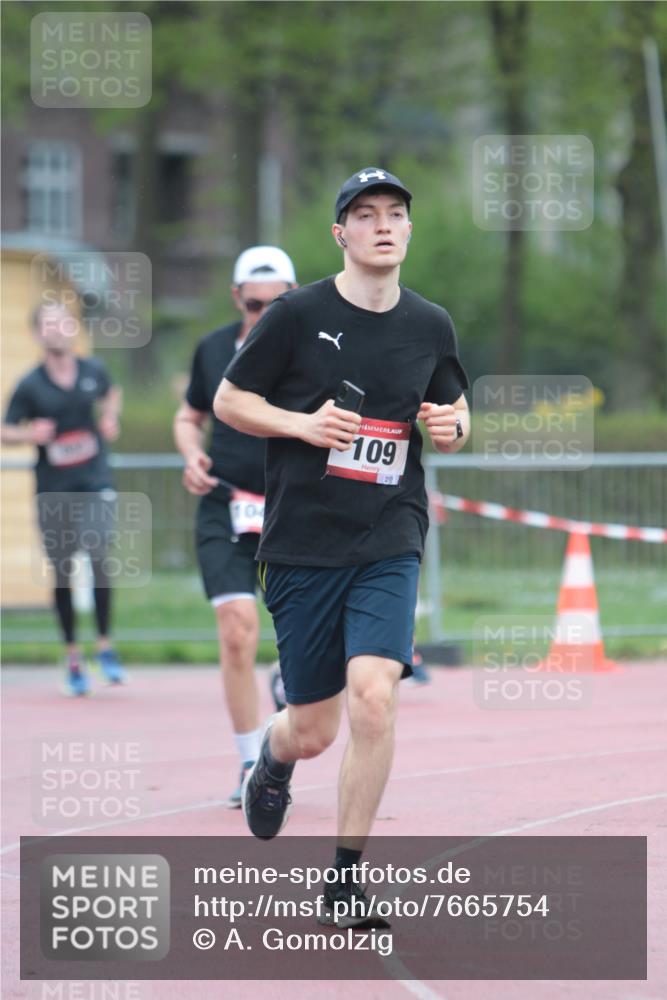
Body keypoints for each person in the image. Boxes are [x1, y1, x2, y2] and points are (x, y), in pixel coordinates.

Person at [214, 167, 470, 924]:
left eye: (394, 213)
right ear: (341, 234)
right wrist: (300, 424)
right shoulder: (295, 314)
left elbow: (454, 411)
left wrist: (455, 429)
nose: (383, 225)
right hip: (301, 544)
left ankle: (345, 878)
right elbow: (230, 400)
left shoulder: (430, 324)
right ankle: (273, 751)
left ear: (407, 230)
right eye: (365, 215)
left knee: (374, 695)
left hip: (389, 532)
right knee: (314, 729)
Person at [173, 246, 297, 807]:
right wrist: (190, 455)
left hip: (293, 510)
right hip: (225, 506)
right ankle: (252, 761)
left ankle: (285, 685)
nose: (266, 311)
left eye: (280, 303)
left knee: (305, 641)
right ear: (236, 298)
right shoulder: (214, 349)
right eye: (255, 302)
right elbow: (188, 414)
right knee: (237, 627)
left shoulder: (312, 354)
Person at [1, 303, 125, 695]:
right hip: (54, 490)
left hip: (94, 483)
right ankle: (73, 655)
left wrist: (110, 418)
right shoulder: (30, 385)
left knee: (99, 552)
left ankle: (104, 645)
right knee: (63, 571)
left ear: (73, 329)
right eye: (50, 323)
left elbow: (112, 394)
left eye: (64, 321)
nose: (59, 329)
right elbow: (5, 430)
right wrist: (29, 435)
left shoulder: (94, 371)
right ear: (38, 334)